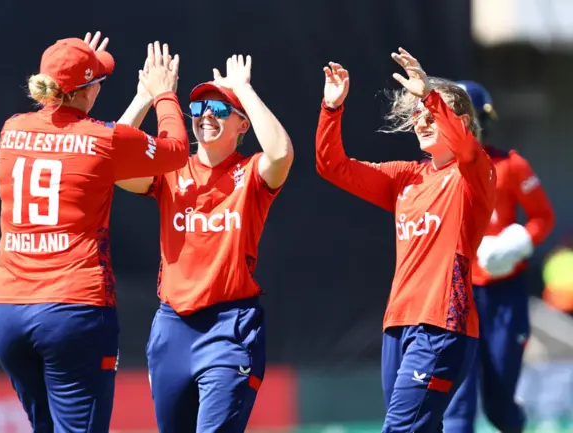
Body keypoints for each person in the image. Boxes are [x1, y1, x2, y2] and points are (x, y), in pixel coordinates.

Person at [0, 33, 189, 433]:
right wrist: (164, 95)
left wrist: (86, 67)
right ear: (85, 90)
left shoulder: (11, 130)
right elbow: (178, 150)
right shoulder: (101, 139)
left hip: (7, 312)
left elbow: (96, 149)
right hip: (73, 311)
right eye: (96, 79)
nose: (100, 85)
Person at [315, 48, 497, 432]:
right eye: (418, 115)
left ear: (461, 121)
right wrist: (331, 110)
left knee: (400, 429)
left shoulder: (474, 174)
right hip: (398, 324)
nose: (422, 121)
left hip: (442, 325)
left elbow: (466, 148)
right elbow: (332, 167)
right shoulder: (405, 178)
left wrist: (429, 92)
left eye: (432, 115)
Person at [116, 54, 294, 432]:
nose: (204, 115)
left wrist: (244, 90)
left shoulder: (250, 173)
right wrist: (146, 97)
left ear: (242, 122)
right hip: (172, 329)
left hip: (230, 328)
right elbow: (112, 163)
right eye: (197, 107)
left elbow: (280, 153)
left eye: (217, 107)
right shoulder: (171, 168)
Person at [443, 80, 555, 433]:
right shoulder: (436, 171)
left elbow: (543, 217)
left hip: (503, 293)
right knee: (458, 404)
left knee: (500, 403)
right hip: (455, 295)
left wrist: (516, 242)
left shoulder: (511, 166)